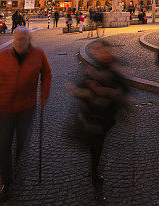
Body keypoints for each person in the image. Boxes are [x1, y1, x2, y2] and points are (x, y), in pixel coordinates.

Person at [0, 28, 52, 202]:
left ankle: (17, 168)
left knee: (22, 143)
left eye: (23, 38)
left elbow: (46, 73)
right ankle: (6, 182)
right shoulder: (2, 56)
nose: (19, 41)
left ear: (29, 40)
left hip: (26, 108)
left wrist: (45, 93)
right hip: (3, 109)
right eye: (16, 38)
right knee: (3, 146)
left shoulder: (38, 54)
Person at [70, 39, 129, 199]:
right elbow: (79, 89)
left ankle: (94, 173)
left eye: (104, 50)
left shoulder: (114, 70)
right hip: (93, 119)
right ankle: (96, 181)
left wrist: (106, 92)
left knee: (97, 148)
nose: (101, 53)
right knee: (96, 149)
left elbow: (124, 91)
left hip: (106, 120)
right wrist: (87, 90)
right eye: (98, 50)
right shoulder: (91, 70)